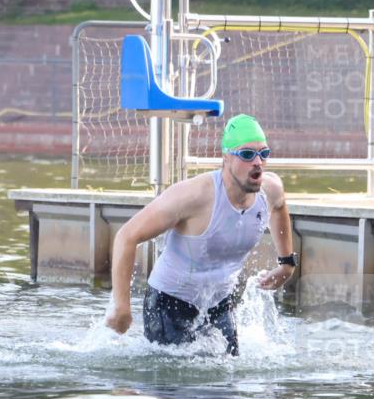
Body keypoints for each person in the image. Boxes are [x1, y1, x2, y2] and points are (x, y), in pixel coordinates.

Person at [105, 114, 296, 356]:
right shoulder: (193, 196)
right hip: (168, 303)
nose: (258, 162)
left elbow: (280, 208)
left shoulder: (270, 190)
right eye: (247, 155)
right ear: (226, 157)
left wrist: (287, 263)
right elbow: (126, 236)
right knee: (180, 386)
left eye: (264, 154)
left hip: (218, 302)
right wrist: (121, 307)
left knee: (227, 381)